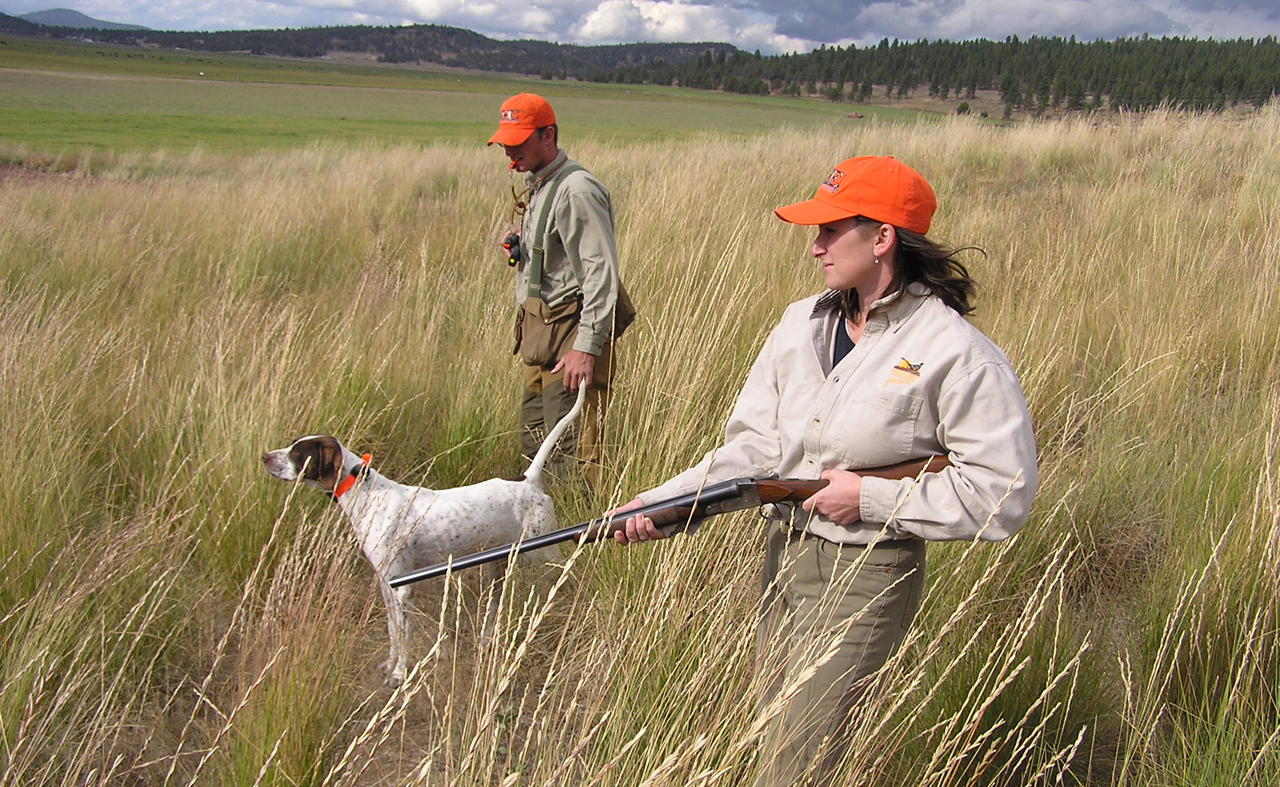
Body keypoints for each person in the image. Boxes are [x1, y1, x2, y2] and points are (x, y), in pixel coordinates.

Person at [610, 156, 1038, 785]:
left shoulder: (957, 354)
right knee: (777, 739)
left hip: (866, 574)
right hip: (781, 556)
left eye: (829, 231)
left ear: (883, 237)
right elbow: (754, 451)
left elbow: (1003, 492)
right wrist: (664, 504)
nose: (814, 248)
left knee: (796, 763)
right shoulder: (798, 324)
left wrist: (867, 498)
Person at [488, 93, 631, 489]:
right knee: (536, 449)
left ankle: (581, 541)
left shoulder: (576, 190)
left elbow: (601, 274)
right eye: (505, 145)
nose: (509, 154)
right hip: (543, 339)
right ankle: (539, 543)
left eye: (517, 144)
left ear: (547, 135)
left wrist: (586, 349)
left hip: (571, 340)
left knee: (574, 458)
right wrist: (524, 243)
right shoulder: (542, 184)